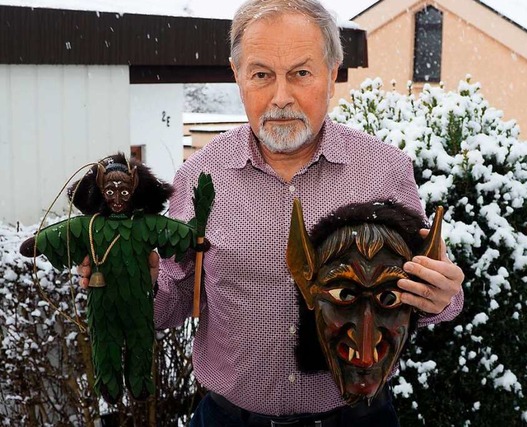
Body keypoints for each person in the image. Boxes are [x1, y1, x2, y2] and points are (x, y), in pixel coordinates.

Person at [81, 0, 464, 425]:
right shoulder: (199, 177)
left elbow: (425, 292)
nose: (281, 97)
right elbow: (170, 304)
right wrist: (135, 283)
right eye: (262, 74)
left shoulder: (384, 170)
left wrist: (442, 297)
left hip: (357, 418)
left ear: (332, 73)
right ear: (237, 76)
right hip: (228, 419)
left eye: (301, 73)